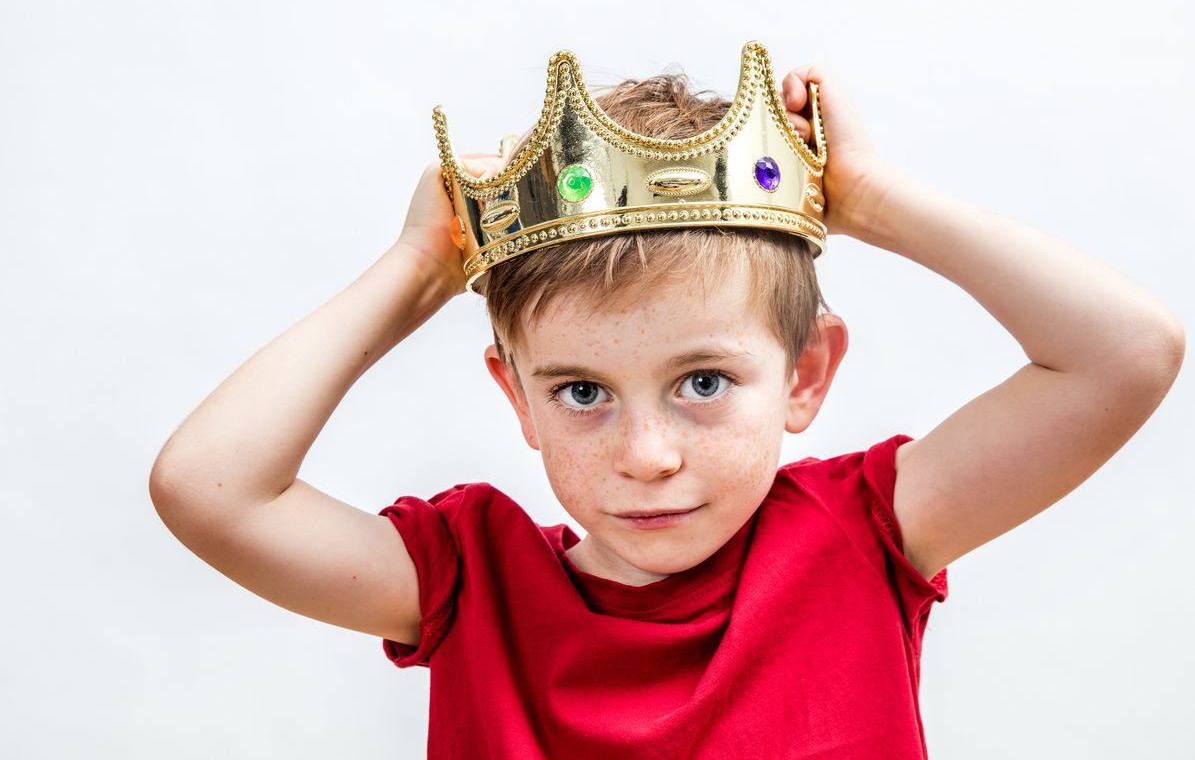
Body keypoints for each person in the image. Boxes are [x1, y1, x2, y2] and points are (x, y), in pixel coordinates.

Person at [148, 47, 1185, 759]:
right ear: (516, 396)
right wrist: (414, 270)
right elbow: (209, 488)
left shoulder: (863, 532)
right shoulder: (468, 582)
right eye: (582, 391)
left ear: (807, 375)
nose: (645, 454)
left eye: (702, 382)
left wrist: (867, 195)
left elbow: (1126, 353)